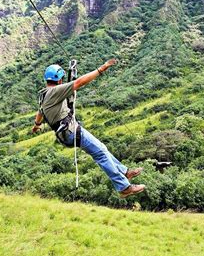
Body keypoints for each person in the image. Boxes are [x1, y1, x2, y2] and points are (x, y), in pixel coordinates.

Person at [32, 58, 145, 198]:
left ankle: (124, 172)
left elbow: (40, 113)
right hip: (72, 132)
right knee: (101, 154)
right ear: (60, 80)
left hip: (66, 134)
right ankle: (123, 187)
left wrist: (36, 126)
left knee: (102, 149)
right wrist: (102, 68)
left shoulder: (43, 95)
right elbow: (79, 82)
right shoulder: (55, 91)